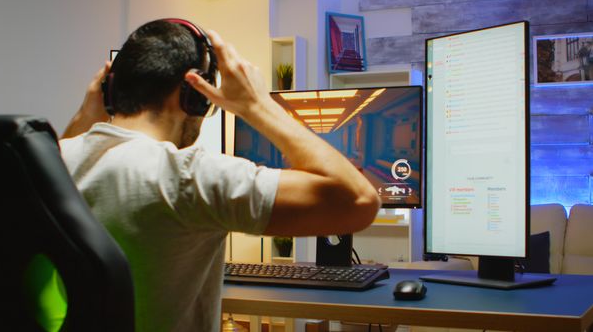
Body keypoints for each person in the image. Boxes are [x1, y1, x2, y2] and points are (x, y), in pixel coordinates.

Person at [60, 19, 380, 332]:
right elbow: (358, 202)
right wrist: (257, 105)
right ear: (194, 94)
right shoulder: (190, 177)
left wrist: (84, 116)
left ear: (110, 89)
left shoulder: (47, 163)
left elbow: (64, 158)